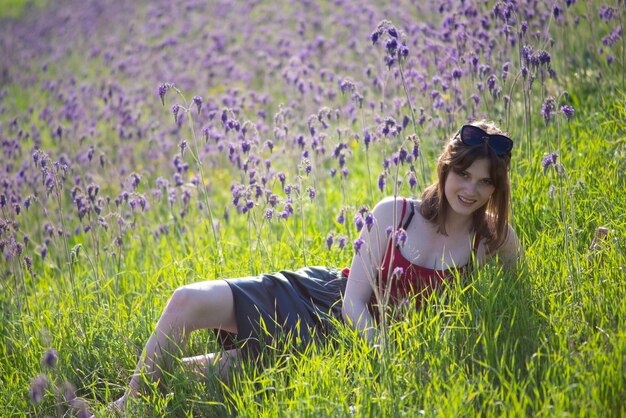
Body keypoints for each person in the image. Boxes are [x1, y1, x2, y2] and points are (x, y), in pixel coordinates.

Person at [111, 119, 521, 411]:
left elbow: (517, 299)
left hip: (337, 347)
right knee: (186, 301)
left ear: (496, 187)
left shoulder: (490, 240)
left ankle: (121, 382)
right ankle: (124, 406)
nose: (470, 189)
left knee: (203, 374)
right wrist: (388, 354)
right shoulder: (396, 212)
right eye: (463, 174)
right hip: (322, 301)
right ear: (446, 169)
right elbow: (353, 303)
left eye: (484, 181)